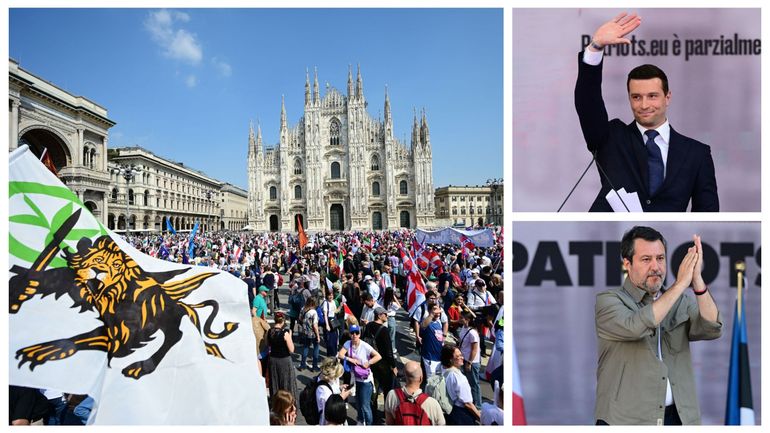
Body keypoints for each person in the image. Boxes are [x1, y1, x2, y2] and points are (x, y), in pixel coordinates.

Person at [575, 12, 719, 212]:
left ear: (667, 97)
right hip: (612, 241)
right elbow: (587, 104)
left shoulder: (697, 153)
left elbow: (707, 215)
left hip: (668, 242)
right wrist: (595, 47)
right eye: (636, 97)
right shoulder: (611, 138)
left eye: (652, 96)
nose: (644, 105)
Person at [594, 226, 721, 425]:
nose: (656, 266)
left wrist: (696, 279)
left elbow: (712, 326)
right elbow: (636, 326)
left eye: (660, 258)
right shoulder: (608, 301)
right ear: (627, 264)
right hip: (625, 421)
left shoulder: (680, 301)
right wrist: (680, 284)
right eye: (646, 259)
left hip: (681, 418)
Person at [337, 324, 382, 426]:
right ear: (349, 334)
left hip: (365, 380)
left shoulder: (365, 346)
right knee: (358, 402)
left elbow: (378, 356)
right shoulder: (348, 343)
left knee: (365, 406)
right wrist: (350, 359)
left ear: (359, 334)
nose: (354, 335)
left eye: (356, 333)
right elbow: (340, 354)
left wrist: (368, 363)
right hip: (355, 378)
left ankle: (369, 424)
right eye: (352, 333)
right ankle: (361, 421)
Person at [364, 306, 398, 424]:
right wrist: (393, 366)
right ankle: (386, 413)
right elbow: (389, 352)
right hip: (383, 365)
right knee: (388, 390)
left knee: (373, 389)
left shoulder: (368, 326)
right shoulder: (384, 330)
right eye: (385, 314)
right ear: (379, 315)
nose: (387, 316)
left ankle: (372, 414)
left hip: (371, 363)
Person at [385, 360, 446, 425]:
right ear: (421, 378)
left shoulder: (392, 395)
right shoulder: (432, 403)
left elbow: (389, 423)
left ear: (405, 377)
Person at [441, 345, 480, 425]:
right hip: (461, 414)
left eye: (461, 355)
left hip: (448, 411)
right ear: (451, 360)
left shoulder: (442, 369)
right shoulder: (459, 377)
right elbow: (467, 403)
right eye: (458, 356)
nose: (462, 357)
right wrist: (480, 417)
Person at [267, 312, 298, 399]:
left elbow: (267, 344)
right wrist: (290, 337)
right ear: (283, 321)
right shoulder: (285, 333)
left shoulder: (269, 332)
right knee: (286, 382)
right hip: (284, 360)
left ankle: (276, 401)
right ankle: (286, 401)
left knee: (275, 381)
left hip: (273, 360)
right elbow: (292, 350)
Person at [316, 357, 352, 425]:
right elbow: (329, 410)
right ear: (332, 376)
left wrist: (339, 388)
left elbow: (332, 388)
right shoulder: (324, 391)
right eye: (337, 377)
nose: (338, 378)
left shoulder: (324, 380)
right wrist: (341, 397)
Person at [458, 311, 482, 408]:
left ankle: (478, 405)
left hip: (471, 361)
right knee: (467, 382)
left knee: (474, 383)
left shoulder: (472, 332)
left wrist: (469, 362)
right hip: (464, 359)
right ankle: (470, 401)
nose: (459, 319)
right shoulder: (464, 328)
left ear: (467, 319)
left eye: (461, 317)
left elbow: (474, 349)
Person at [419, 303, 445, 378]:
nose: (437, 313)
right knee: (431, 381)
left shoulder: (438, 322)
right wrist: (432, 314)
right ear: (429, 311)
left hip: (439, 357)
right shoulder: (427, 322)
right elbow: (423, 326)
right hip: (430, 358)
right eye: (434, 309)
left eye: (438, 310)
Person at [299, 297, 321, 372]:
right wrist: (318, 335)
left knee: (305, 348)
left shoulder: (303, 309)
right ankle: (314, 366)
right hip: (313, 333)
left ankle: (302, 365)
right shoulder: (313, 312)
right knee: (316, 348)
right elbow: (315, 325)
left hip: (305, 332)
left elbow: (300, 319)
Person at [320, 288, 340, 357]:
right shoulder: (325, 303)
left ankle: (334, 354)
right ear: (327, 296)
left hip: (333, 321)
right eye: (329, 295)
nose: (331, 296)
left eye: (332, 295)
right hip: (328, 321)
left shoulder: (334, 302)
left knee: (334, 339)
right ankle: (330, 355)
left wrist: (341, 305)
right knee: (329, 341)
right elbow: (325, 314)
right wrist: (327, 325)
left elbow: (335, 311)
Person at [382, 287, 401, 355]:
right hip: (391, 319)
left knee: (384, 334)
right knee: (391, 336)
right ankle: (392, 349)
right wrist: (394, 297)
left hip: (383, 318)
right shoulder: (392, 303)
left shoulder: (382, 300)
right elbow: (399, 306)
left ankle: (385, 348)